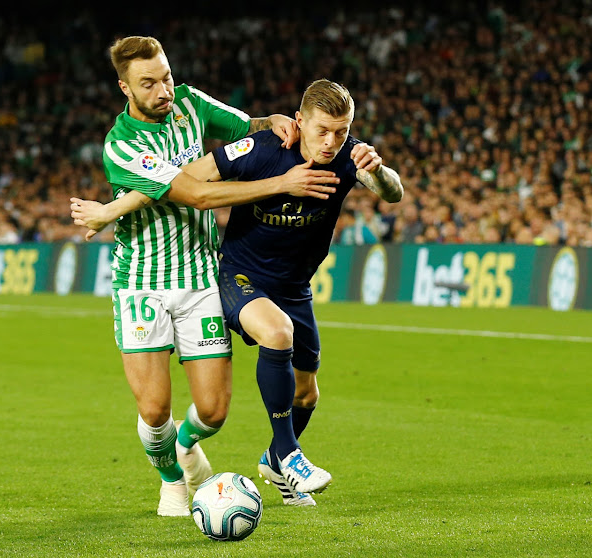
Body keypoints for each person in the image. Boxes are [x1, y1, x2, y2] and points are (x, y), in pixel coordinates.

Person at [73, 78, 404, 506]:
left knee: (307, 393)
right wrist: (112, 210)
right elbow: (183, 180)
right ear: (300, 121)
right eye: (322, 130)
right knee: (277, 333)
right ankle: (288, 454)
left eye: (341, 131)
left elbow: (392, 194)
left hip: (294, 287)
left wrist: (377, 170)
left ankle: (272, 460)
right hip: (240, 276)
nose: (331, 141)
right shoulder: (261, 150)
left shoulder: (348, 156)